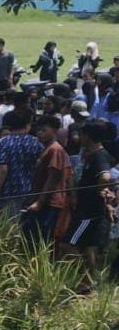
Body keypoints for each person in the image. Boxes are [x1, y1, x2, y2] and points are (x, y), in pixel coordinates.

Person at [62, 120, 113, 294]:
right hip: (86, 208)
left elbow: (106, 176)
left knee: (67, 244)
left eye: (82, 134)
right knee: (88, 247)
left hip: (89, 212)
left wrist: (101, 188)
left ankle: (85, 278)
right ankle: (90, 285)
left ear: (88, 136)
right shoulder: (89, 154)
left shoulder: (99, 156)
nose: (80, 137)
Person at [23, 116, 71, 250]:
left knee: (42, 240)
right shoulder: (46, 149)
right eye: (38, 130)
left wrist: (40, 202)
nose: (39, 133)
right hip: (41, 200)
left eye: (44, 130)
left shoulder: (55, 149)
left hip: (50, 202)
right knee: (30, 238)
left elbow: (53, 178)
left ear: (55, 131)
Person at [0, 110, 41, 210]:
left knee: (10, 222)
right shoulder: (35, 141)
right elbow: (39, 164)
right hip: (31, 190)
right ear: (27, 125)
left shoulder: (3, 142)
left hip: (9, 191)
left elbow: (3, 169)